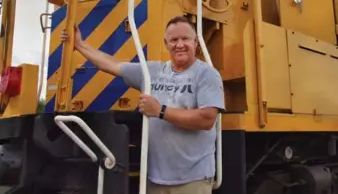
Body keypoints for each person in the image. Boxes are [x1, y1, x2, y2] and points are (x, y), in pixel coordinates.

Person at [61, 15, 225, 194]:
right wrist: (80, 45)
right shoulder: (153, 71)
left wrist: (160, 111)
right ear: (166, 44)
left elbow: (207, 119)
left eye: (185, 39)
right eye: (174, 40)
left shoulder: (207, 75)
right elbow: (113, 65)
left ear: (195, 43)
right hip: (155, 179)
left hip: (192, 180)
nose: (179, 44)